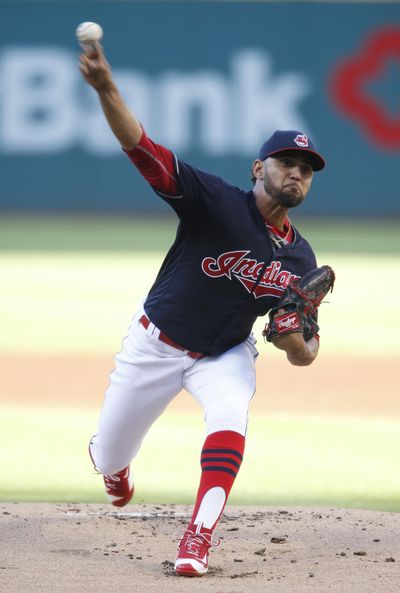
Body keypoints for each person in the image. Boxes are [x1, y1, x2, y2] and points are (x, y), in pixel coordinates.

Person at [80, 43, 325, 577]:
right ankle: (114, 468)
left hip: (225, 353)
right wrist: (106, 89)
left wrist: (291, 337)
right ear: (260, 166)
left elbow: (304, 353)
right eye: (288, 163)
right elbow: (142, 148)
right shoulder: (213, 200)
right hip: (156, 343)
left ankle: (197, 540)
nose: (297, 174)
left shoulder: (302, 257)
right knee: (109, 453)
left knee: (231, 415)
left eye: (307, 169)